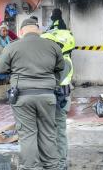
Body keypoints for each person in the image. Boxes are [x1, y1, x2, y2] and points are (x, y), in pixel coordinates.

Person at [0, 18, 64, 169]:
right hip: (47, 96)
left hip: (22, 96)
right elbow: (60, 68)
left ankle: (32, 167)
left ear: (21, 32)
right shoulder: (53, 46)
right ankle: (52, 166)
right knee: (48, 132)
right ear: (38, 30)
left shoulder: (12, 46)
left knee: (27, 134)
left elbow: (0, 69)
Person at [41, 29, 75, 170]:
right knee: (51, 132)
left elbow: (54, 81)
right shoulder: (60, 59)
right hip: (56, 100)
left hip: (60, 102)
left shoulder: (64, 62)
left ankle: (60, 163)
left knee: (59, 132)